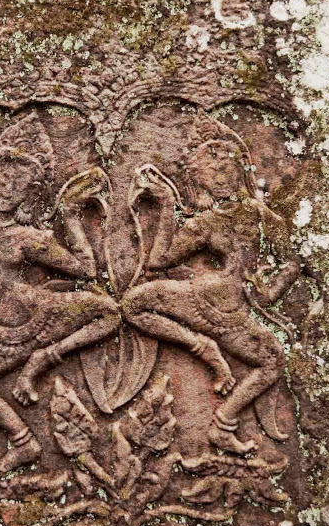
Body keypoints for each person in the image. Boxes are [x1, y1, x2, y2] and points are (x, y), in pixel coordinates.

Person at [0, 111, 120, 472]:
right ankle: (24, 442)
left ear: (30, 195)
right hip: (2, 330)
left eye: (19, 184)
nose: (7, 190)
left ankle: (44, 360)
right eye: (3, 180)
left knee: (108, 310)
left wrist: (71, 216)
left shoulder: (30, 239)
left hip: (41, 314)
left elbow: (85, 269)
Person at [122, 112, 299, 454]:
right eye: (210, 172)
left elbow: (292, 260)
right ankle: (202, 349)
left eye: (226, 167)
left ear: (241, 169)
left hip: (233, 309)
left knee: (273, 362)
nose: (219, 177)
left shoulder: (263, 216)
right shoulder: (205, 222)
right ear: (198, 180)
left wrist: (271, 290)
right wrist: (167, 204)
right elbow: (160, 260)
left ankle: (223, 425)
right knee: (133, 303)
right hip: (202, 299)